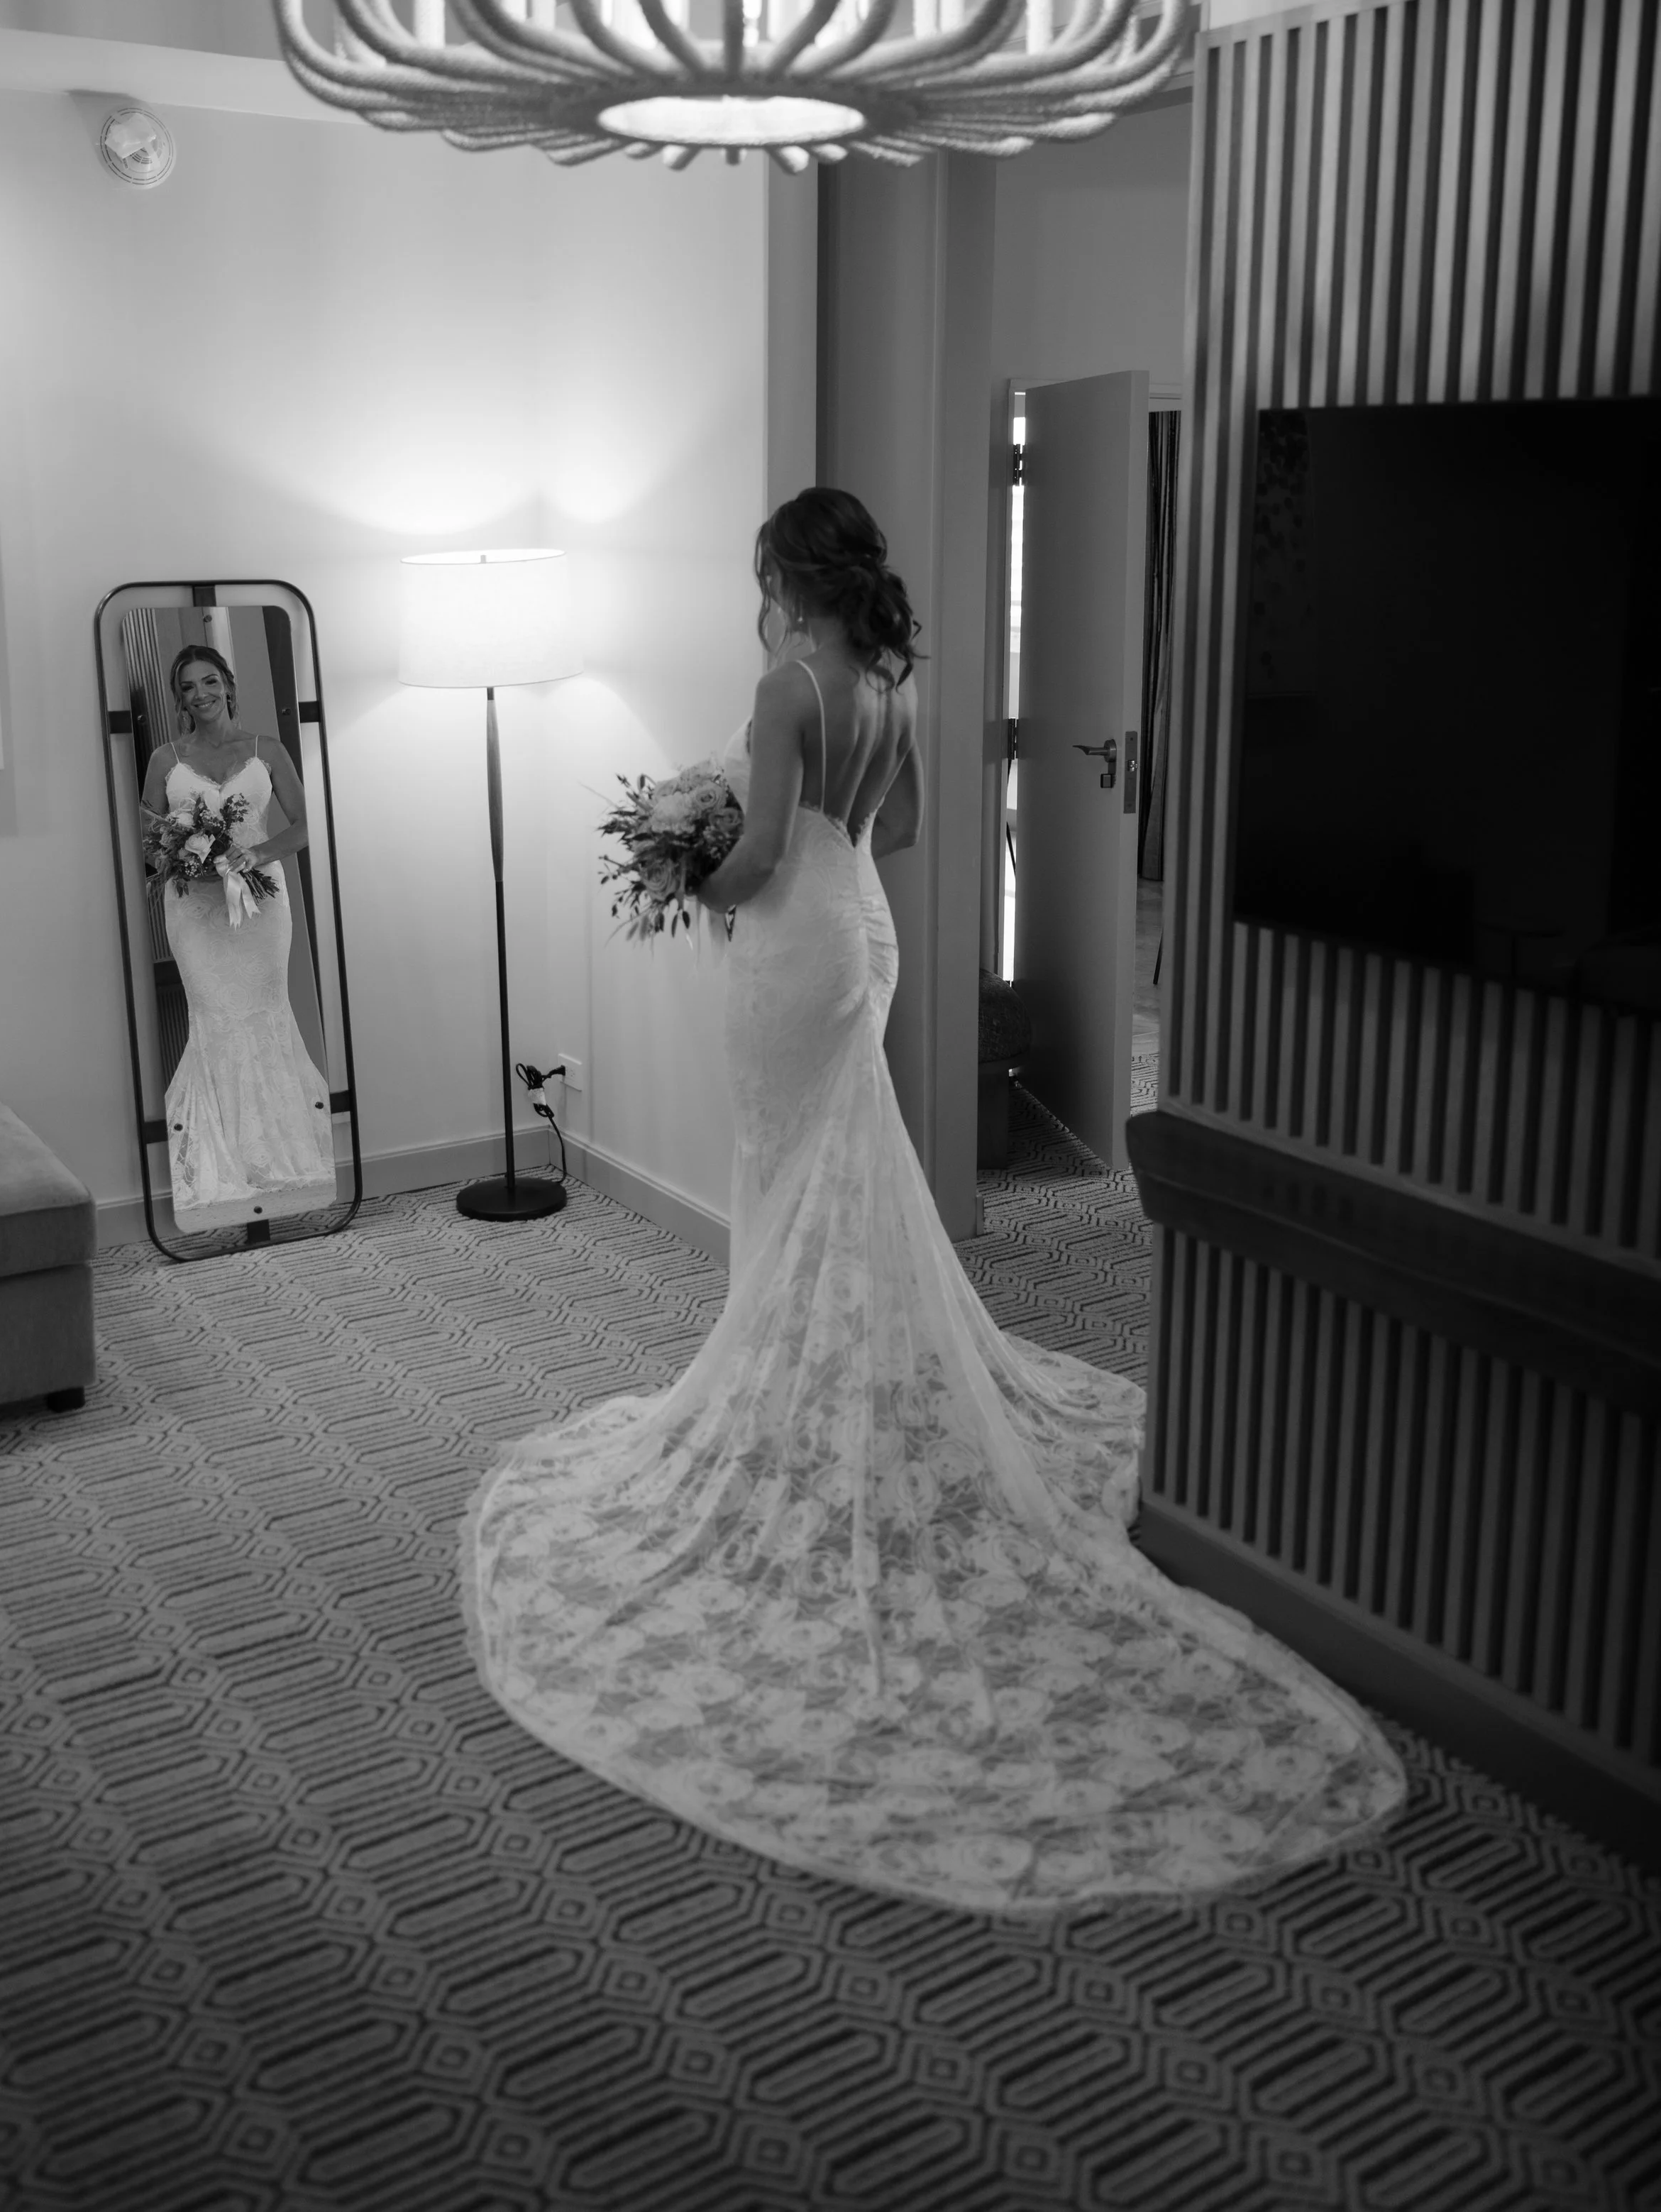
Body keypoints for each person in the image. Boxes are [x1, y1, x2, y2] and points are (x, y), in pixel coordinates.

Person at [466, 490, 1404, 1913]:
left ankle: (788, 1398)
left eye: (762, 574)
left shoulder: (785, 688)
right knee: (841, 1158)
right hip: (865, 931)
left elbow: (759, 860)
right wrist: (778, 844)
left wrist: (689, 867)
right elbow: (892, 825)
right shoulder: (891, 682)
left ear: (788, 576)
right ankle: (829, 1376)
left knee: (786, 1166)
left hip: (790, 939)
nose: (760, 596)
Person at [139, 643, 336, 1233]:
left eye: (209, 682)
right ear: (179, 699)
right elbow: (144, 834)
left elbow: (307, 824)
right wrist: (181, 859)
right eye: (187, 687)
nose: (200, 694)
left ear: (227, 684)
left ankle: (278, 1153)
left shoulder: (266, 750)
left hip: (260, 907)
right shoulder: (165, 758)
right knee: (215, 1018)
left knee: (264, 1012)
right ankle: (220, 1159)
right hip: (194, 912)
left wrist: (255, 852)